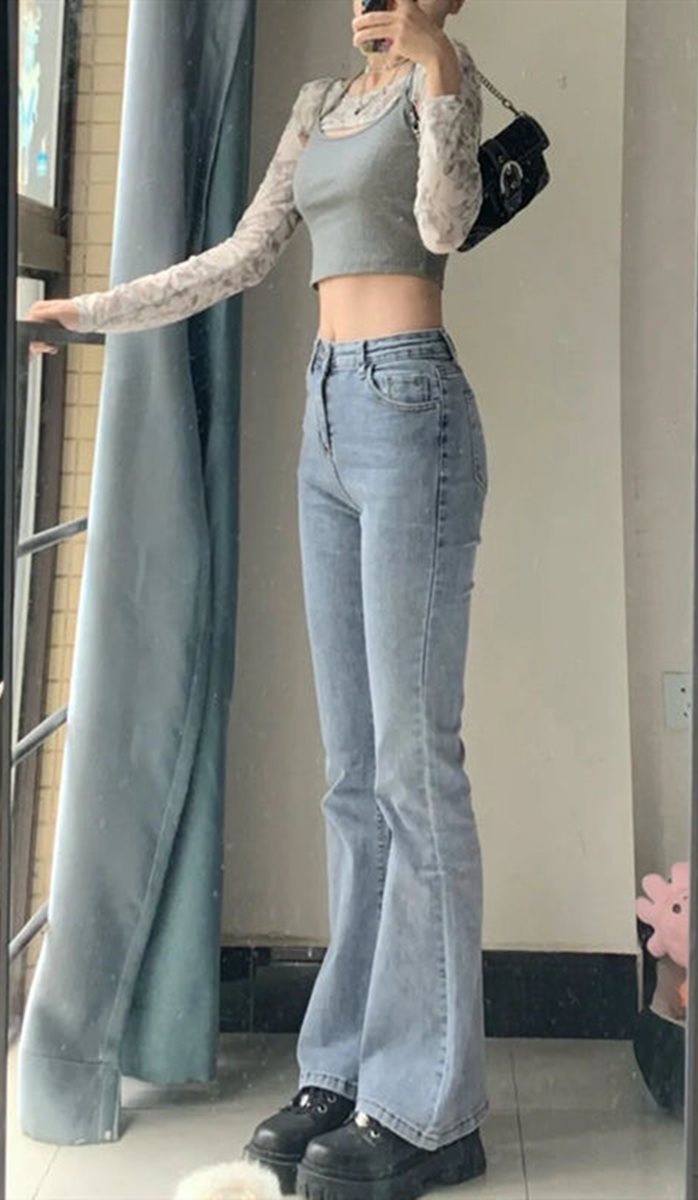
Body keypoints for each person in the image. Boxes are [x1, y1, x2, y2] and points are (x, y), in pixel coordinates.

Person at [28, 1, 490, 1196]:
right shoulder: (318, 106)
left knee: (413, 770)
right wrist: (88, 312)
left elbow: (444, 223)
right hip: (327, 414)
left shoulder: (446, 81)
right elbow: (242, 256)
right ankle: (342, 1070)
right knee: (353, 775)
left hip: (410, 408)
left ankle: (433, 1109)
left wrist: (436, 62)